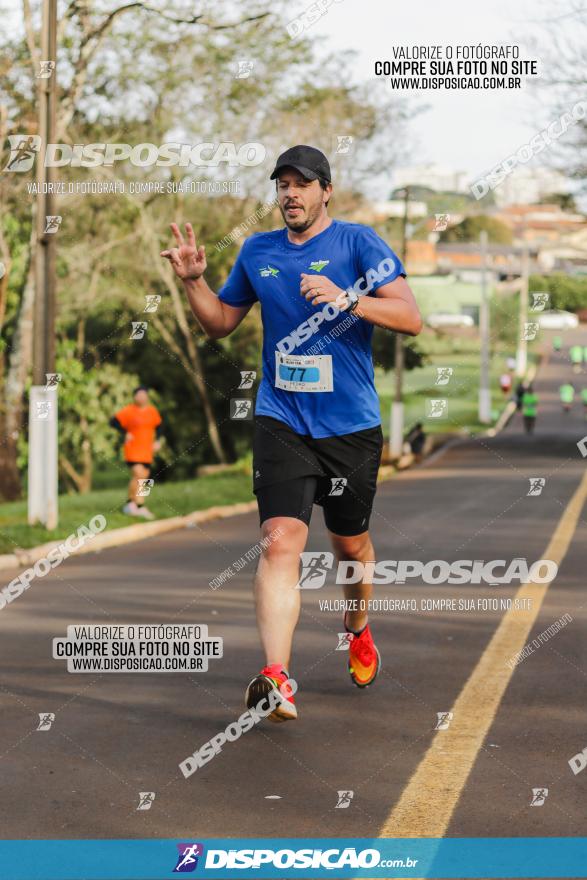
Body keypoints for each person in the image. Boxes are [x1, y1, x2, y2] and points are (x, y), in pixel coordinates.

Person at [161, 144, 422, 722]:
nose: (290, 194)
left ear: (326, 190)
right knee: (280, 540)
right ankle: (277, 675)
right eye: (282, 184)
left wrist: (349, 299)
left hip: (350, 424)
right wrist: (194, 283)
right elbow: (221, 325)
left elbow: (410, 317)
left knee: (350, 545)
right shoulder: (258, 251)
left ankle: (357, 625)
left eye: (302, 184)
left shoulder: (358, 243)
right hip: (282, 418)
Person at [110, 386, 162, 519]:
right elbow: (113, 422)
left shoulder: (152, 411)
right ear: (135, 397)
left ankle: (135, 504)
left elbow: (160, 426)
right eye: (139, 395)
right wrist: (125, 433)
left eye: (144, 394)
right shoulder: (128, 411)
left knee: (146, 477)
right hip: (133, 449)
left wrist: (158, 442)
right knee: (138, 474)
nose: (142, 397)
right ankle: (136, 505)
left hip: (147, 450)